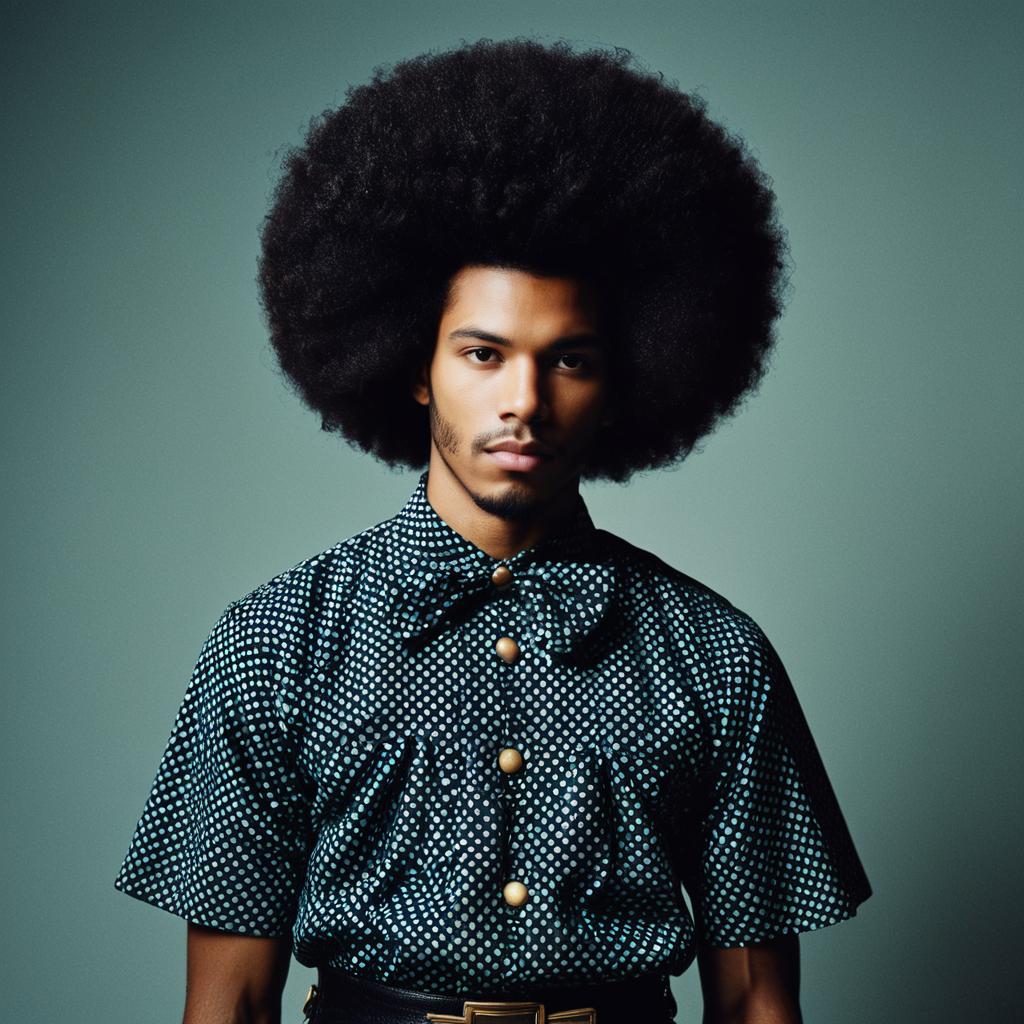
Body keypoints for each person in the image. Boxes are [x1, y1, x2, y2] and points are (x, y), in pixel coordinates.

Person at [114, 37, 872, 1024]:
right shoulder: (274, 643)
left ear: (622, 383)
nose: (524, 400)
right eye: (483, 354)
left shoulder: (715, 656)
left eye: (569, 360)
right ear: (413, 366)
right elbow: (228, 1004)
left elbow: (759, 1002)